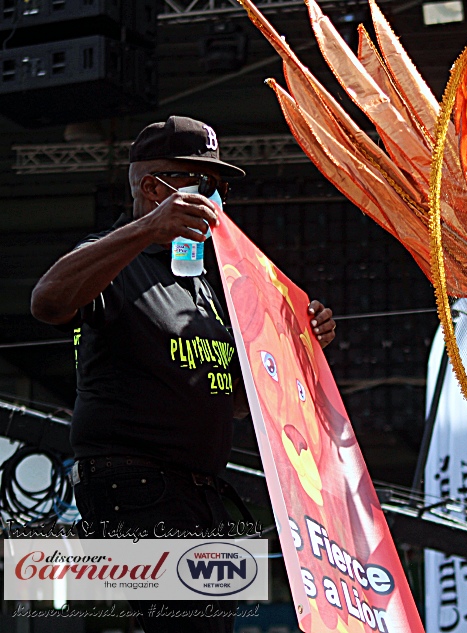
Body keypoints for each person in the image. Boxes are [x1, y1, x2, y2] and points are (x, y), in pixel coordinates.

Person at [30, 115, 336, 633]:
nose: (216, 198)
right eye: (202, 183)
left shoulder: (210, 284)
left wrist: (301, 346)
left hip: (204, 493)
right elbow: (47, 301)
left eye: (220, 187)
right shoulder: (115, 258)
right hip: (138, 486)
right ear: (154, 188)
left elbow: (227, 394)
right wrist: (148, 228)